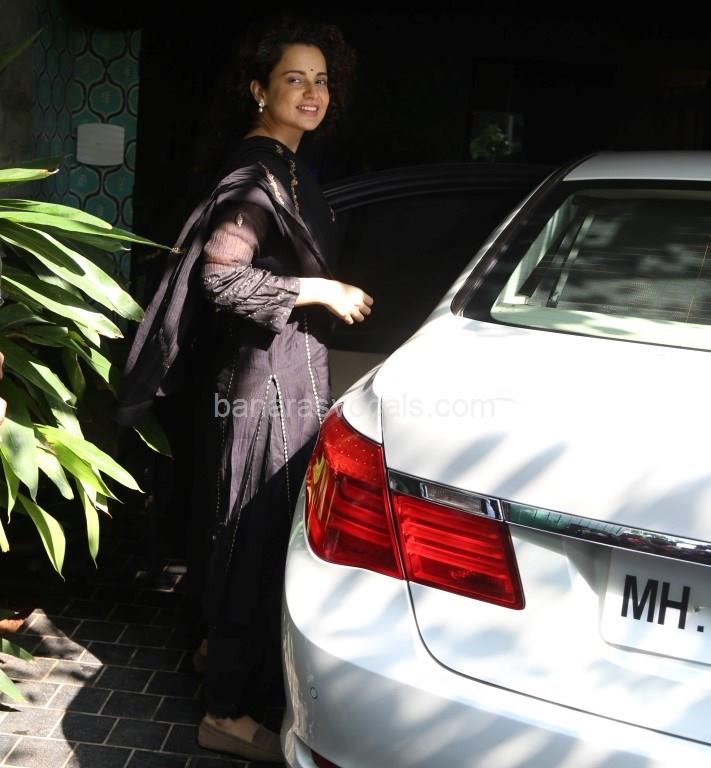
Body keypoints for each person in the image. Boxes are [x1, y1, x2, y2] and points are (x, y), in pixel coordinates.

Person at [117, 18, 370, 763]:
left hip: (280, 373)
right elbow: (222, 278)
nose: (312, 92)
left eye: (321, 80)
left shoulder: (284, 165)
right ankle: (225, 713)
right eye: (294, 78)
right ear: (259, 89)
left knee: (237, 530)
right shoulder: (257, 174)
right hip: (265, 386)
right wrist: (318, 289)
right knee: (251, 538)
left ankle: (211, 653)